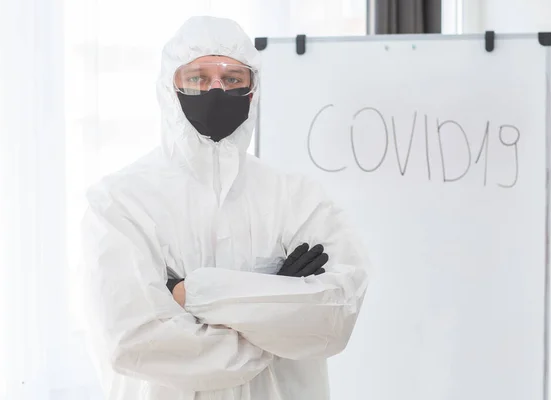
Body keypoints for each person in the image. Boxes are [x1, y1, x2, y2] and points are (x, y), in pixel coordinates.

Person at [80, 15, 370, 400]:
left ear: (253, 89)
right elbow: (135, 341)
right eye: (198, 78)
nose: (216, 89)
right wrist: (275, 324)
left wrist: (188, 294)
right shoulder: (119, 203)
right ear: (169, 87)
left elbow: (335, 316)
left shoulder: (298, 199)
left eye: (233, 79)